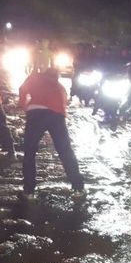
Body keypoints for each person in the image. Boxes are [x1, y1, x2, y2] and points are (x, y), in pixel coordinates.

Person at [18, 68, 84, 200]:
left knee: (29, 152)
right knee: (65, 151)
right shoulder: (60, 87)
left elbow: (22, 89)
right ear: (56, 77)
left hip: (35, 114)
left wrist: (24, 106)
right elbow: (63, 106)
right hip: (56, 117)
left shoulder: (34, 78)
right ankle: (78, 188)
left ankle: (29, 191)